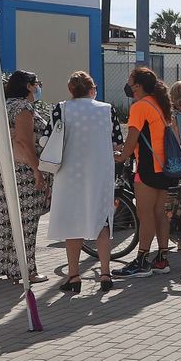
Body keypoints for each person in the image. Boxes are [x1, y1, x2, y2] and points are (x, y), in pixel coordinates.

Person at [48, 72, 117, 292]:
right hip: (99, 172)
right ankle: (105, 273)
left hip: (69, 173)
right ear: (91, 89)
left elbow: (47, 139)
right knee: (102, 220)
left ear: (71, 90)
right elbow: (116, 141)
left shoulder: (61, 109)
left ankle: (74, 276)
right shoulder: (107, 110)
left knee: (72, 223)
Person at [113, 67, 180, 278]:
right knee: (160, 214)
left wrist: (121, 156)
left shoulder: (140, 106)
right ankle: (161, 258)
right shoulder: (159, 103)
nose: (129, 88)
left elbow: (132, 138)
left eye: (131, 83)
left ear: (139, 86)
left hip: (148, 167)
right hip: (165, 167)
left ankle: (142, 261)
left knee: (145, 216)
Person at [0, 69, 48, 282]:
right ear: (29, 86)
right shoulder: (23, 108)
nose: (39, 87)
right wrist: (37, 170)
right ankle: (27, 270)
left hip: (6, 168)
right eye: (37, 83)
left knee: (8, 219)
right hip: (24, 172)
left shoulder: (5, 105)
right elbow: (24, 141)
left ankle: (7, 265)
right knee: (27, 221)